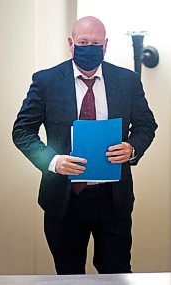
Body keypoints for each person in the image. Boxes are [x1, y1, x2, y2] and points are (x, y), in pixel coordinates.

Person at [12, 16, 157, 274]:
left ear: (105, 46)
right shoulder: (46, 82)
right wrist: (53, 161)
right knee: (69, 276)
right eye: (83, 42)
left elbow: (147, 125)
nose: (89, 47)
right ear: (71, 43)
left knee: (117, 273)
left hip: (112, 200)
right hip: (64, 200)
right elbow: (22, 131)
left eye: (95, 43)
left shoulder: (128, 81)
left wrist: (132, 147)